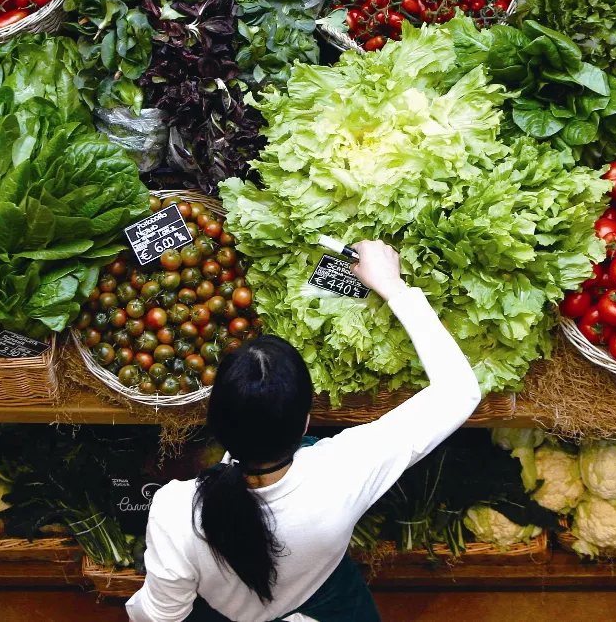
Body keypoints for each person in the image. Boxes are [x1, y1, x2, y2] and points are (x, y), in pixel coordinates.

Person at [125, 240, 481, 622]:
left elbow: (157, 617)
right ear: (307, 422)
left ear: (215, 424)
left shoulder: (175, 511)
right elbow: (460, 392)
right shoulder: (342, 471)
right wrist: (392, 285)